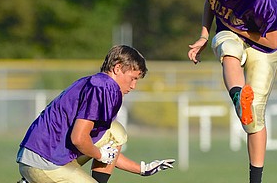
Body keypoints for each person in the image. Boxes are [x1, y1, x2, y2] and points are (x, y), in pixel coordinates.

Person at [188, 0, 277, 183]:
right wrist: (203, 35)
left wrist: (238, 28)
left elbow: (272, 42)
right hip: (231, 34)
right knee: (227, 46)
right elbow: (212, 1)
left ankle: (255, 180)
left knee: (253, 120)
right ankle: (238, 95)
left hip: (262, 47)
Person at [17, 45, 175, 183]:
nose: (133, 86)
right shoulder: (102, 88)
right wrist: (100, 155)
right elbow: (79, 139)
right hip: (44, 162)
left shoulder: (100, 85)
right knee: (113, 134)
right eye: (133, 78)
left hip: (46, 157)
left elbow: (107, 151)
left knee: (115, 132)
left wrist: (142, 169)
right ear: (118, 68)